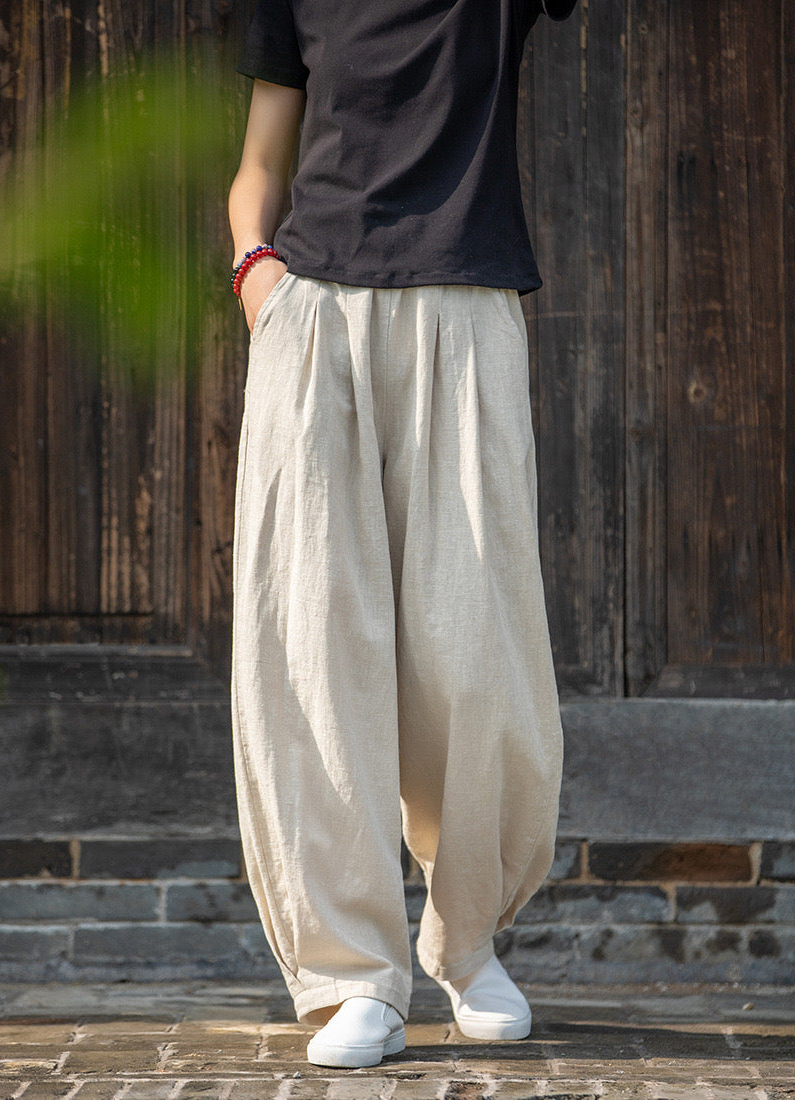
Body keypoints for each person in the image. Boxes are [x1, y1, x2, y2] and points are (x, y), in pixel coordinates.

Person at [229, 0, 576, 1070]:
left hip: (464, 310)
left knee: (475, 653)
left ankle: (465, 941)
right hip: (313, 316)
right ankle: (352, 974)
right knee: (313, 650)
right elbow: (259, 162)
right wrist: (256, 276)